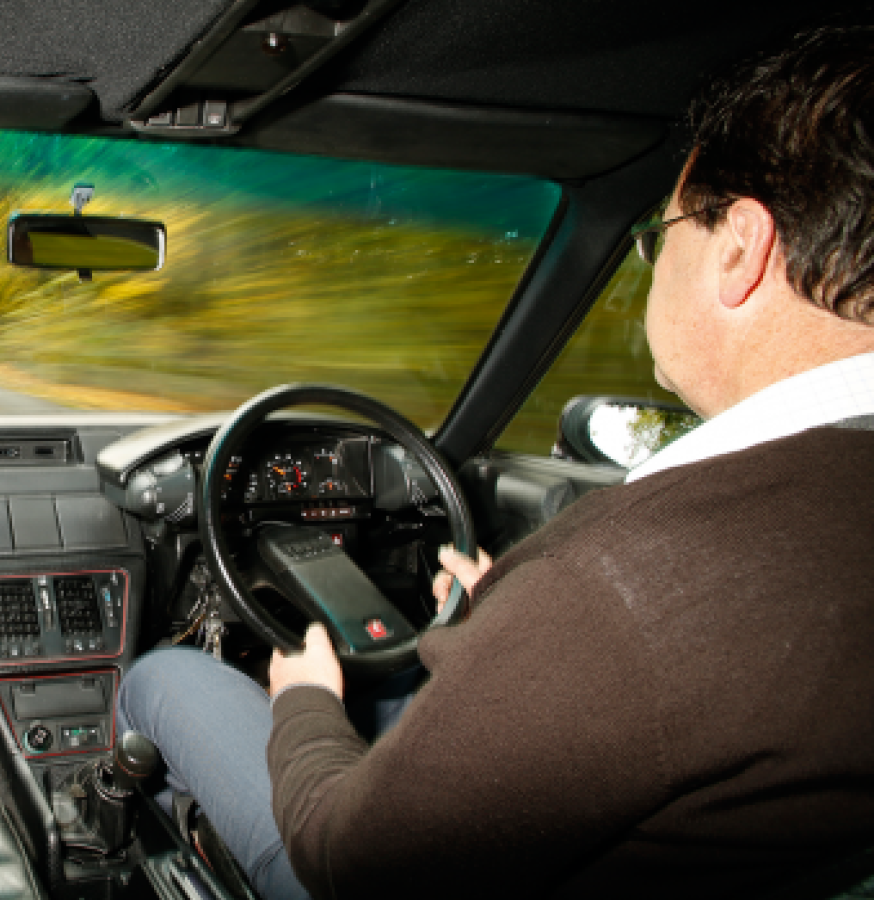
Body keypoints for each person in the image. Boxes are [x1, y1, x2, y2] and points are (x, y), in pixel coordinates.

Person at [117, 24, 874, 900]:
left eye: (660, 234)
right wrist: (511, 627)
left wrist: (305, 701)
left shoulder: (621, 587)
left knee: (166, 677)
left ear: (740, 247)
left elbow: (352, 861)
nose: (654, 262)